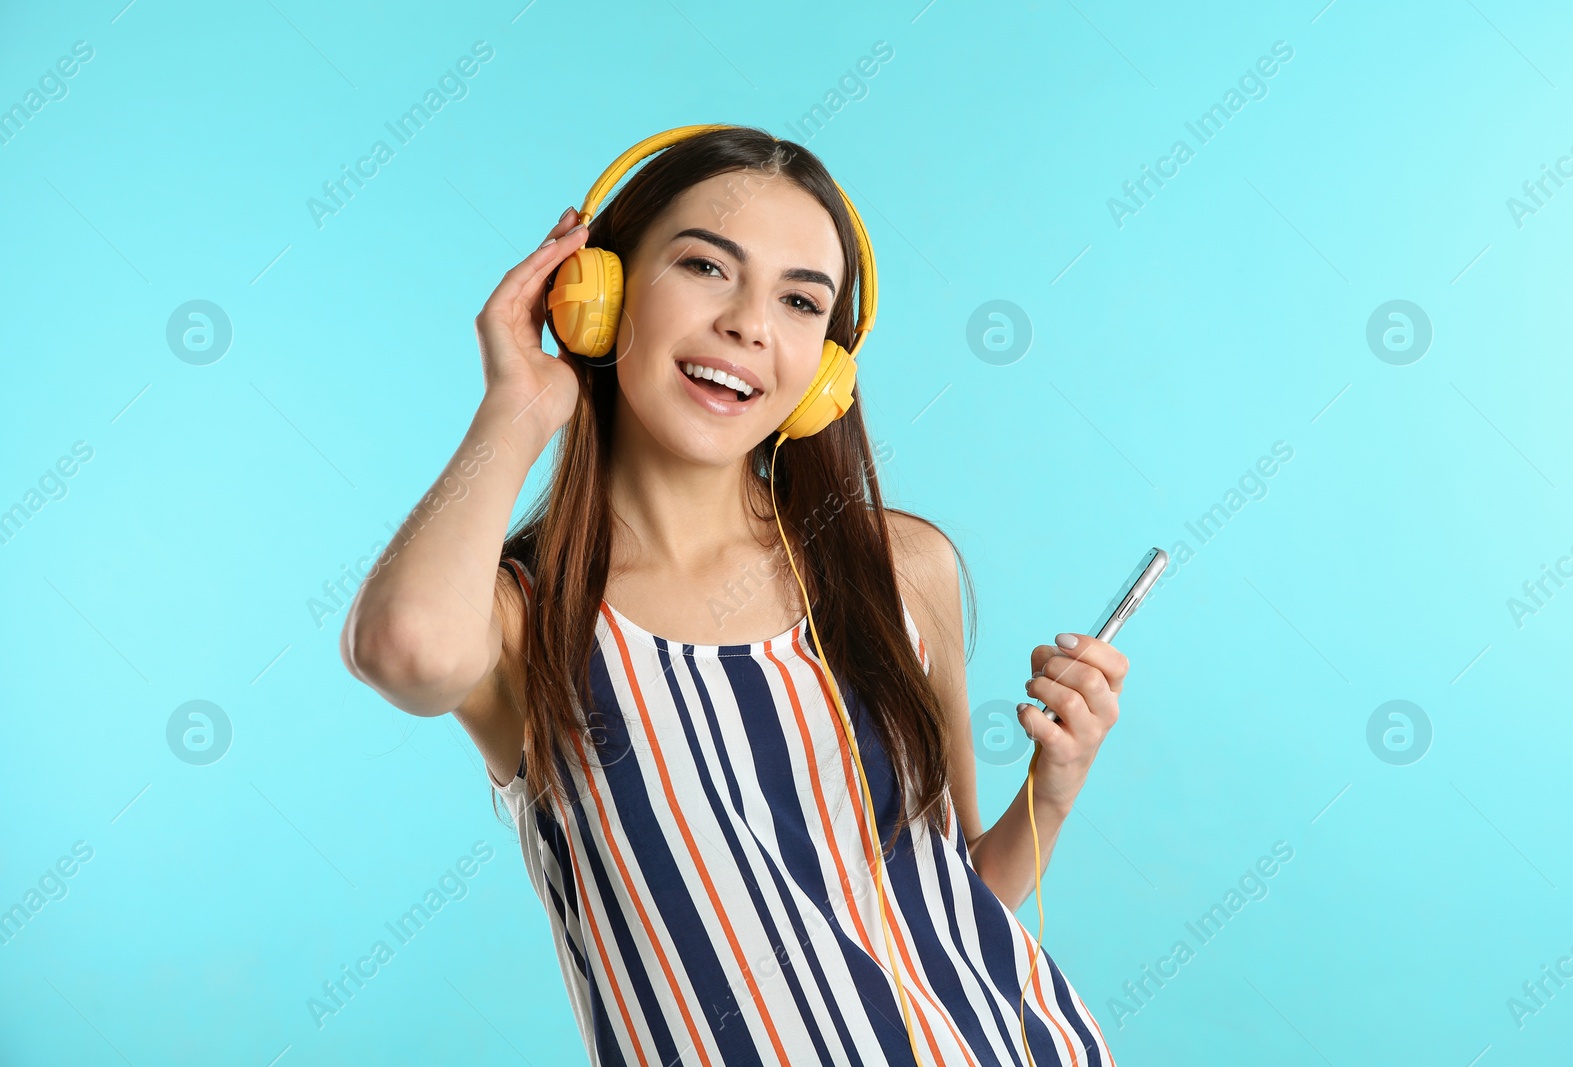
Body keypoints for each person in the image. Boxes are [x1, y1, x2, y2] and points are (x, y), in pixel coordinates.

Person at [341, 125, 1128, 1067]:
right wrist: (518, 405)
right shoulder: (525, 619)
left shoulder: (900, 567)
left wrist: (1055, 784)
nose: (751, 324)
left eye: (801, 300)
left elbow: (954, 902)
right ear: (598, 294)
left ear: (826, 368)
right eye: (708, 267)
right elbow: (403, 648)